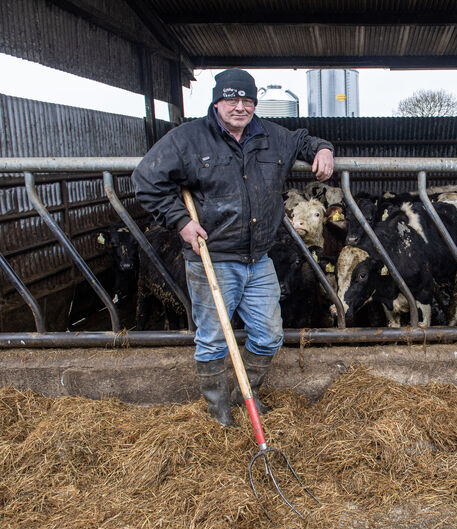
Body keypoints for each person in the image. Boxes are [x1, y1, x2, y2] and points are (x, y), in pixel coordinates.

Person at [132, 68, 334, 425]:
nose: (240, 107)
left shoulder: (272, 136)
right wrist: (180, 221)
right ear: (217, 101)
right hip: (213, 256)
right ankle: (218, 412)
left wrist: (323, 150)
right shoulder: (189, 138)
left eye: (247, 100)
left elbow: (304, 139)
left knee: (270, 336)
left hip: (259, 259)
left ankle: (246, 395)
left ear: (255, 103)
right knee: (211, 340)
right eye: (231, 99)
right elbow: (146, 179)